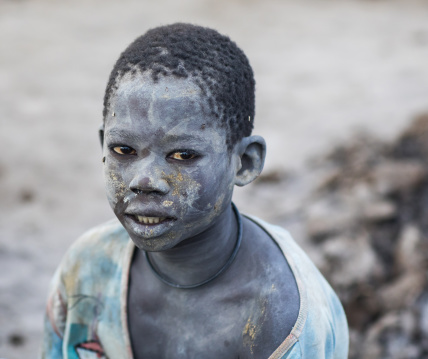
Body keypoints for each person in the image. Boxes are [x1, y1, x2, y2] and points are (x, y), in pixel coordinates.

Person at [41, 23, 349, 359]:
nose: (144, 181)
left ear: (244, 162)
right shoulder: (87, 269)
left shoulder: (283, 323)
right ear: (102, 146)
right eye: (123, 151)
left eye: (183, 155)